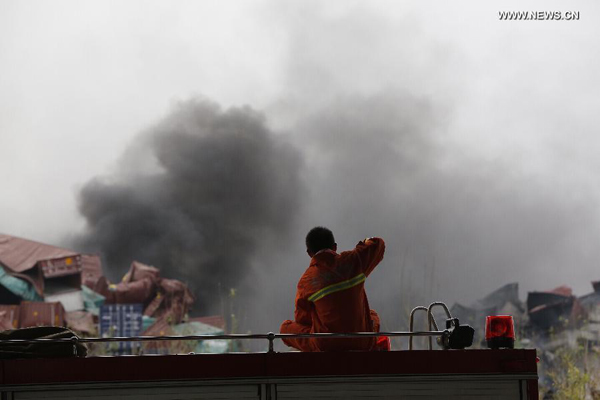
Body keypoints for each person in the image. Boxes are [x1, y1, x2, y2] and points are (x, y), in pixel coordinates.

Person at [280, 226, 386, 352]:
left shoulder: (306, 281)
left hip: (326, 345)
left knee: (285, 328)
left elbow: (302, 319)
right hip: (362, 341)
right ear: (335, 247)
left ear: (309, 253)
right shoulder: (353, 261)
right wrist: (366, 241)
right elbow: (378, 243)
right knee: (372, 315)